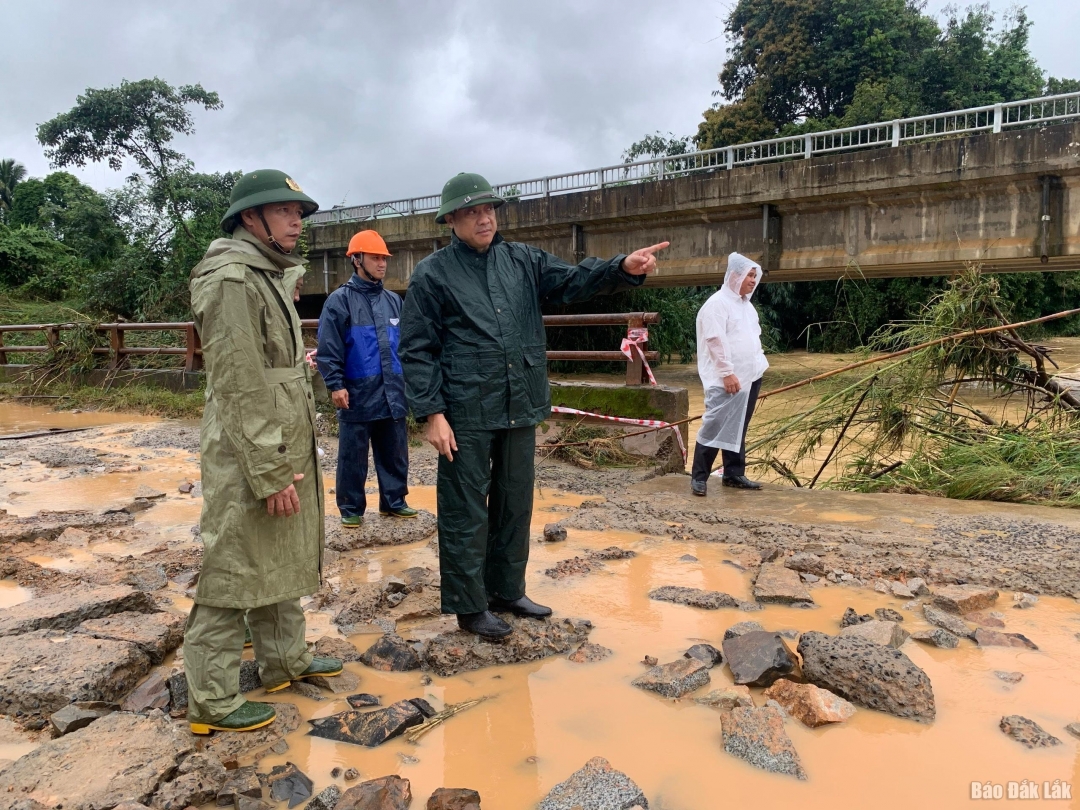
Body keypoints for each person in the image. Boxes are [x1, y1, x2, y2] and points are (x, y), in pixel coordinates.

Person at [399, 172, 668, 639]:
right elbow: (417, 349)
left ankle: (507, 589)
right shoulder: (432, 274)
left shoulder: (521, 260)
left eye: (489, 210)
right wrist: (432, 413)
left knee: (515, 498)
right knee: (466, 507)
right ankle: (469, 605)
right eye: (471, 212)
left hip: (519, 400)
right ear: (452, 221)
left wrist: (623, 267)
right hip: (465, 409)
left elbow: (573, 280)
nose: (484, 219)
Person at [186, 169, 343, 735]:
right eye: (284, 211)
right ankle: (211, 699)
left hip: (280, 439)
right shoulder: (230, 278)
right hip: (248, 449)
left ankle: (283, 661)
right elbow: (238, 380)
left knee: (279, 549)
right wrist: (270, 470)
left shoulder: (268, 273)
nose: (297, 221)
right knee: (233, 563)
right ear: (250, 218)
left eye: (299, 212)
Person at [316, 229, 417, 526]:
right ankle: (350, 510)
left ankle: (394, 501)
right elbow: (329, 347)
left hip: (392, 391)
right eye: (375, 258)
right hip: (357, 392)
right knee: (352, 456)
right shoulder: (339, 302)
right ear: (357, 260)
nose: (382, 264)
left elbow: (406, 346)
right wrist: (335, 384)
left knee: (395, 451)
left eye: (384, 258)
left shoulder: (394, 302)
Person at [691, 252, 769, 495]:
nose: (753, 280)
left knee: (738, 427)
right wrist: (727, 373)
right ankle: (699, 476)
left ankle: (733, 473)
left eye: (755, 276)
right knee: (714, 424)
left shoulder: (747, 306)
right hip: (727, 379)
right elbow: (714, 340)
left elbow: (751, 338)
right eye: (749, 275)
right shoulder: (717, 304)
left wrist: (757, 368)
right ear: (734, 275)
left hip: (751, 376)